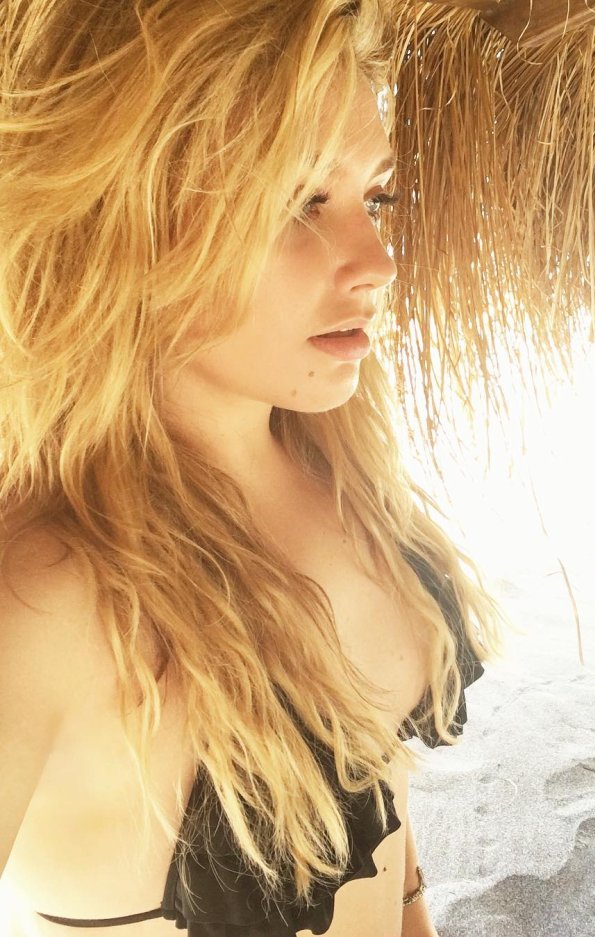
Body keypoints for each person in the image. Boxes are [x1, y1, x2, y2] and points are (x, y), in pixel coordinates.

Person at [0, 1, 504, 935]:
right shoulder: (47, 593)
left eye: (374, 198)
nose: (380, 261)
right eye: (300, 200)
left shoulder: (339, 463)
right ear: (125, 212)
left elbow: (380, 818)